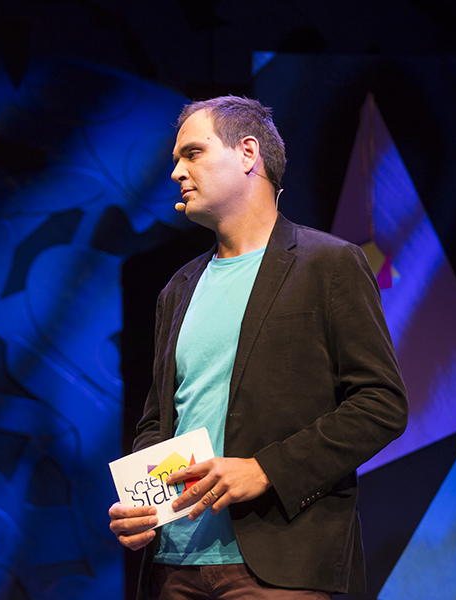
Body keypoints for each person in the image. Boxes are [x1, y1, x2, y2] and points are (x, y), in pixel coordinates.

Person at [108, 96, 408, 598]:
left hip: (277, 565)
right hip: (173, 567)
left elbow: (381, 404)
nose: (177, 173)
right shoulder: (178, 289)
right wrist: (143, 503)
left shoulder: (329, 265)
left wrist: (267, 469)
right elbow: (158, 424)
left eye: (193, 154)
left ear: (248, 153)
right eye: (176, 161)